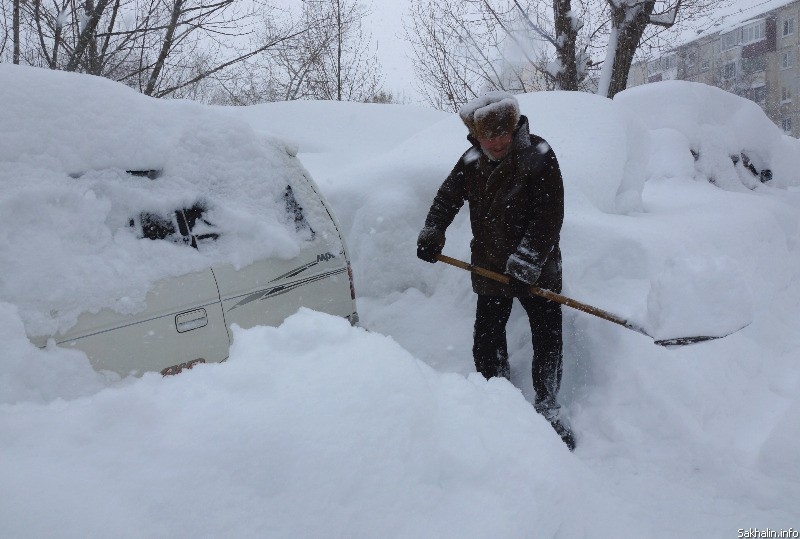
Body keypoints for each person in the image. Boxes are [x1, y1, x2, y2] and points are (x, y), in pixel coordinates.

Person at [416, 91, 575, 451]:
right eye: (489, 137)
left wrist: (527, 261)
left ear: (515, 126)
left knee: (547, 337)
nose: (498, 143)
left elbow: (549, 217)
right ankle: (496, 400)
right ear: (477, 136)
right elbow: (446, 198)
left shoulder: (539, 155)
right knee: (486, 337)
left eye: (503, 134)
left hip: (538, 268)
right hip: (490, 268)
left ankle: (548, 406)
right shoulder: (471, 160)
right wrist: (432, 231)